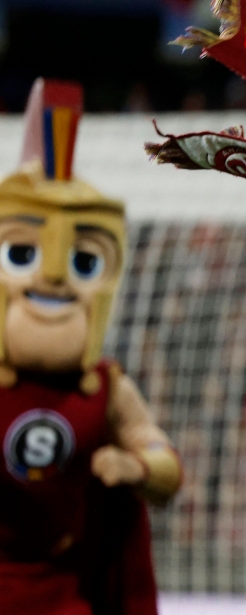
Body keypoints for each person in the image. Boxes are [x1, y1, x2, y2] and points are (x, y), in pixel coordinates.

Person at [0, 79, 182, 615]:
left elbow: (162, 458)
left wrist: (138, 469)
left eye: (84, 263)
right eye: (22, 255)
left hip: (66, 594)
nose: (54, 280)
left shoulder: (106, 387)